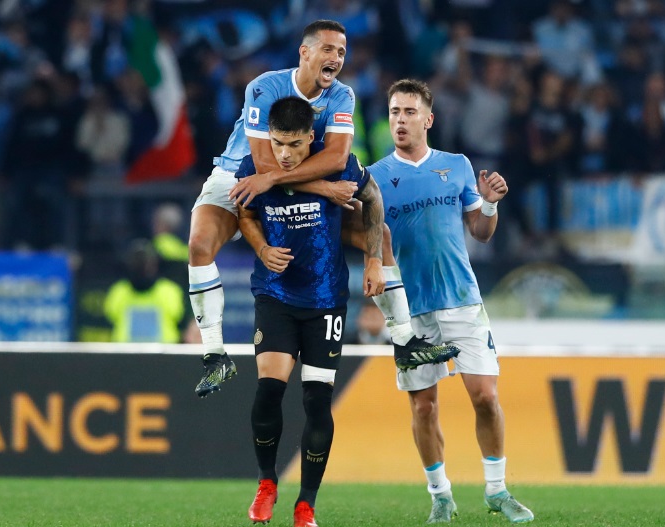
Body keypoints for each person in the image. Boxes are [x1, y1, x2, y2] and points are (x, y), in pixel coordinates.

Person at [190, 19, 457, 398]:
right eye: (328, 49)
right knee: (199, 244)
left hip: (294, 182)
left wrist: (366, 252)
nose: (337, 58)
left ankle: (404, 341)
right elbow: (262, 165)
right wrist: (324, 188)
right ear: (305, 52)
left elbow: (336, 158)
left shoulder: (342, 96)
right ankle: (215, 355)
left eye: (342, 52)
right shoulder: (265, 87)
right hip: (239, 177)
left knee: (377, 234)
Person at [367, 79, 534, 524]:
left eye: (409, 112)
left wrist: (491, 205)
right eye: (394, 112)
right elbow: (370, 242)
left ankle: (497, 490)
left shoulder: (457, 165)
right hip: (411, 310)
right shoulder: (375, 178)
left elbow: (480, 231)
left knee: (486, 397)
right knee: (423, 406)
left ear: (429, 119)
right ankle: (440, 496)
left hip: (461, 299)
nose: (400, 120)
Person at [237, 96, 384, 527]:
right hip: (276, 295)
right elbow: (245, 214)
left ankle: (306, 505)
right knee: (269, 389)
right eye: (278, 143)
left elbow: (373, 198)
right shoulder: (253, 165)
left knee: (317, 402)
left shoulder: (339, 164)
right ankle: (267, 483)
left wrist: (374, 259)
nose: (284, 154)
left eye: (295, 144)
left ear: (311, 139)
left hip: (325, 301)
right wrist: (261, 248)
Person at [103, 238, 185, 344]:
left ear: (155, 265)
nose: (142, 268)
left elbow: (179, 317)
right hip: (125, 351)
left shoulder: (169, 291)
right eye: (137, 263)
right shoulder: (118, 291)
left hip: (164, 351)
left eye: (145, 263)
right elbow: (110, 316)